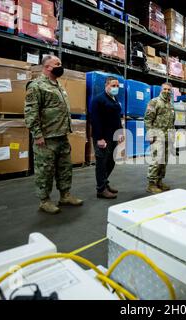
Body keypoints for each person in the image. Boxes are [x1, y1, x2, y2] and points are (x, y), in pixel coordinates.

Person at [25, 55, 83, 214]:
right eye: (57, 64)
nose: (60, 66)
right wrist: (37, 135)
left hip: (62, 135)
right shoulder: (36, 86)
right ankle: (44, 200)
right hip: (46, 137)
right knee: (45, 170)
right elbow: (31, 112)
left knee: (65, 168)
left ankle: (65, 195)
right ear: (47, 67)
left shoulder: (58, 85)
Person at [90, 76, 125, 199]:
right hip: (103, 138)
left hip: (113, 136)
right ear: (106, 85)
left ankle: (105, 183)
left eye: (117, 86)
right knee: (101, 163)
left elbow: (117, 118)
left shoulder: (114, 99)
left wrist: (120, 132)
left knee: (111, 161)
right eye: (113, 85)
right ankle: (101, 189)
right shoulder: (98, 100)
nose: (115, 88)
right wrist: (99, 138)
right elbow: (95, 120)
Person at [144, 82, 175, 194]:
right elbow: (148, 119)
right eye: (165, 89)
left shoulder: (171, 104)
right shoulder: (154, 102)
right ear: (161, 90)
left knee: (164, 161)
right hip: (157, 136)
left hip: (167, 137)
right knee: (156, 160)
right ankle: (151, 184)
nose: (166, 91)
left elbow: (172, 121)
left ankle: (159, 181)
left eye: (168, 90)